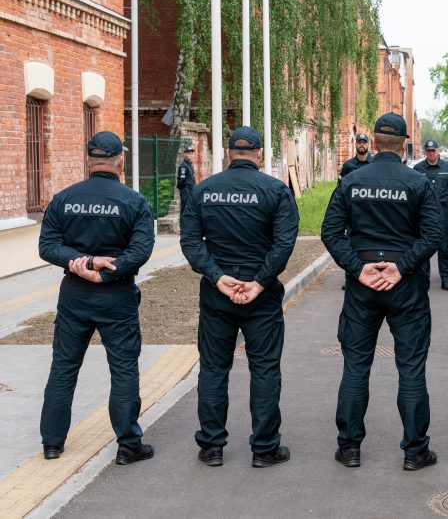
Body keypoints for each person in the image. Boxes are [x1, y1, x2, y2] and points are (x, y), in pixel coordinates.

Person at [321, 113, 445, 471]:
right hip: (403, 285)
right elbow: (434, 234)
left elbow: (330, 233)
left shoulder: (352, 181)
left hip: (364, 285)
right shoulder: (418, 182)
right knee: (411, 368)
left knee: (356, 366)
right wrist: (401, 266)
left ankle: (350, 448)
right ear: (405, 143)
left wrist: (359, 268)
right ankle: (415, 450)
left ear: (373, 142)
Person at [180, 126, 299, 469]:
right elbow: (283, 243)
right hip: (260, 297)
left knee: (214, 369)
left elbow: (191, 242)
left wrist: (218, 278)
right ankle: (264, 448)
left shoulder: (204, 190)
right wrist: (260, 281)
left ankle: (212, 446)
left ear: (228, 152)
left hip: (218, 295)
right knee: (264, 369)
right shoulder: (276, 191)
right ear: (259, 154)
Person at [38, 131, 156, 465]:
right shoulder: (133, 201)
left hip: (75, 294)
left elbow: (47, 246)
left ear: (89, 160)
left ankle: (51, 444)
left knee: (63, 368)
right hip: (116, 295)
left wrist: (82, 264)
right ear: (121, 160)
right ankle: (128, 445)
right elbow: (142, 250)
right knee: (123, 369)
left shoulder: (64, 199)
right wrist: (104, 270)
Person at [414, 139, 448, 290]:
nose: (431, 153)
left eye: (433, 151)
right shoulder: (418, 168)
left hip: (442, 211)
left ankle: (446, 279)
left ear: (438, 151)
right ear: (425, 152)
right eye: (428, 151)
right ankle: (423, 278)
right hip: (424, 212)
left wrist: (443, 203)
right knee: (424, 245)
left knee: (444, 246)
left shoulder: (447, 167)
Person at [176, 145, 196, 211]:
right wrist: (184, 189)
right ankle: (183, 221)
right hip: (186, 190)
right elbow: (181, 181)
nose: (191, 155)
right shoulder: (183, 166)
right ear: (185, 154)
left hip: (192, 190)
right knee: (185, 208)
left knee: (190, 208)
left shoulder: (190, 165)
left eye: (191, 153)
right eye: (189, 153)